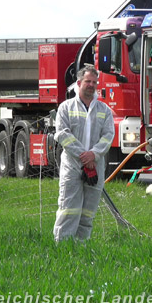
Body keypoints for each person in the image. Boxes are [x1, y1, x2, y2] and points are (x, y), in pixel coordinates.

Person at [53, 64, 114, 241]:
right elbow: (62, 134)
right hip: (72, 167)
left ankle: (81, 248)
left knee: (88, 212)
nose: (91, 85)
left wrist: (94, 155)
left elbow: (109, 135)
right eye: (88, 81)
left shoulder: (104, 110)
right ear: (79, 83)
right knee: (68, 209)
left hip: (95, 166)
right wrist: (84, 156)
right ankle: (63, 247)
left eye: (95, 82)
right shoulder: (65, 107)